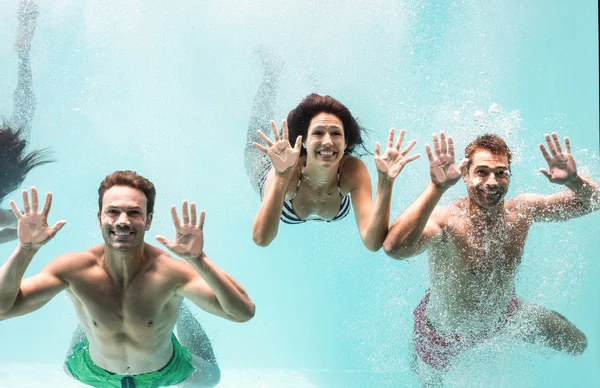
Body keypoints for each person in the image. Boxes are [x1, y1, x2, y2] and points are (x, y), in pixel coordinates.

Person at [0, 171, 256, 387]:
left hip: (165, 370)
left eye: (134, 213)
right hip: (93, 370)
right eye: (112, 212)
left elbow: (242, 312)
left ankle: (179, 311)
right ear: (99, 217)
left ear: (149, 220)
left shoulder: (172, 273)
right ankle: (94, 321)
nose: (122, 221)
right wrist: (26, 250)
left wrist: (199, 260)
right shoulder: (73, 269)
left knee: (211, 377)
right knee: (70, 365)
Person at [382, 131, 599, 386]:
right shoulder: (447, 220)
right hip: (444, 335)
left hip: (505, 316)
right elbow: (395, 249)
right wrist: (436, 187)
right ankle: (416, 355)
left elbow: (594, 202)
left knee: (576, 344)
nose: (492, 181)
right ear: (465, 174)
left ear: (509, 176)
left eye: (501, 172)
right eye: (481, 171)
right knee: (430, 383)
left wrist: (574, 181)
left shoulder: (523, 211)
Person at [245, 73, 420, 250]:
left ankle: (312, 82)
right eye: (318, 133)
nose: (328, 141)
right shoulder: (288, 169)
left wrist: (386, 181)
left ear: (345, 143)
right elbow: (261, 239)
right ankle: (271, 75)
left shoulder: (352, 170)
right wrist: (281, 176)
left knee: (318, 107)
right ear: (303, 141)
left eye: (336, 133)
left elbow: (372, 242)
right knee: (256, 132)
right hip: (265, 167)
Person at [1, 0, 52, 244]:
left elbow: (18, 226)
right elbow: (19, 225)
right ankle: (23, 51)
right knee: (23, 109)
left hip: (7, 167)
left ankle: (23, 51)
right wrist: (30, 232)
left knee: (23, 110)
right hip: (7, 166)